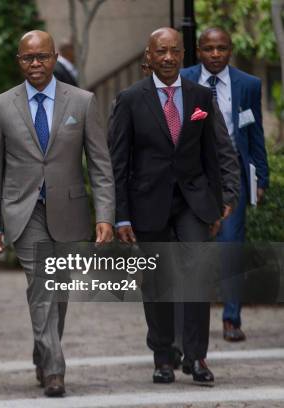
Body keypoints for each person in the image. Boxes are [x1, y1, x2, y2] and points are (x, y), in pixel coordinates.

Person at [0, 30, 115, 397]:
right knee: (41, 286)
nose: (35, 64)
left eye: (41, 57)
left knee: (59, 292)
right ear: (19, 61)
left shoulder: (83, 102)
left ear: (55, 58)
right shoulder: (1, 106)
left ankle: (43, 349)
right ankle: (55, 368)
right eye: (28, 58)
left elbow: (101, 164)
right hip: (23, 211)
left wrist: (105, 215)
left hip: (69, 210)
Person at [109, 27, 222, 386]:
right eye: (162, 51)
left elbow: (212, 155)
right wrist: (120, 215)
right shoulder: (129, 98)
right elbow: (118, 163)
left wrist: (215, 206)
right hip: (148, 203)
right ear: (149, 55)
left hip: (192, 201)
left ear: (183, 53)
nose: (169, 58)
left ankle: (197, 356)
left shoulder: (201, 95)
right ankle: (163, 356)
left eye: (174, 51)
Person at [181, 27, 269, 342]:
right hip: (194, 176)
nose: (215, 54)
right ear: (199, 50)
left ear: (230, 49)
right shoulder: (183, 79)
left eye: (221, 48)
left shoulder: (247, 84)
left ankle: (231, 318)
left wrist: (262, 175)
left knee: (231, 247)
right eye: (208, 48)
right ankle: (188, 320)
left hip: (233, 176)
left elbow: (254, 131)